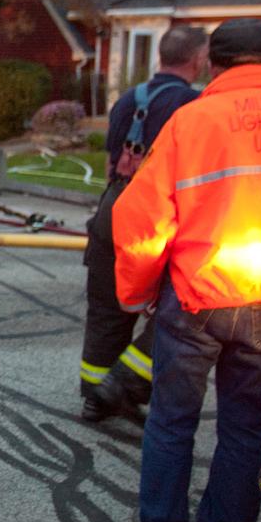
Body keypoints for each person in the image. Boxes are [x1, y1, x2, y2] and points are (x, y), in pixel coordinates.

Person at [116, 18, 261, 522]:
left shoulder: (192, 121)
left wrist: (139, 290)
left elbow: (141, 218)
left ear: (213, 63)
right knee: (246, 426)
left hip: (196, 297)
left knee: (172, 418)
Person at [79, 26, 207, 421]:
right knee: (180, 309)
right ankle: (122, 387)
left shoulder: (127, 101)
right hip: (156, 214)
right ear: (197, 59)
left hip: (113, 206)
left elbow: (109, 164)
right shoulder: (193, 107)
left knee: (106, 307)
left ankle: (94, 395)